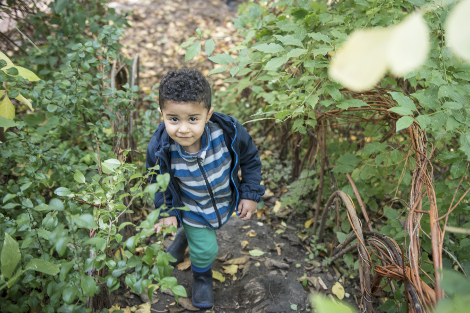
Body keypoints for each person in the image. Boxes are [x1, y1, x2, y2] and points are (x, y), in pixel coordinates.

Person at [146, 68, 265, 308]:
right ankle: (202, 275)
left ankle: (182, 240)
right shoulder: (162, 149)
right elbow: (158, 183)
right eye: (173, 119)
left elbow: (250, 158)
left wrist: (250, 194)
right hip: (191, 206)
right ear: (162, 114)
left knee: (199, 234)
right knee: (207, 248)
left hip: (223, 201)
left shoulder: (228, 133)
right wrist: (167, 212)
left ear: (208, 114)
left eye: (193, 119)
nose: (183, 129)